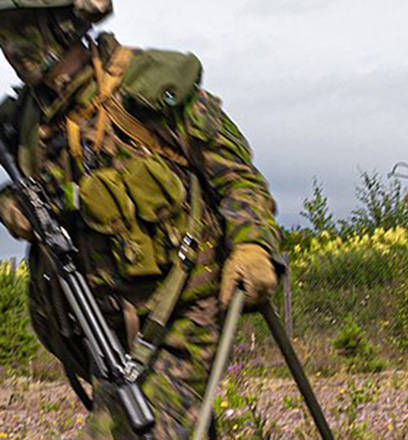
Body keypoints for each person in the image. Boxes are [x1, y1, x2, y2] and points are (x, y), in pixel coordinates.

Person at [0, 1, 282, 438]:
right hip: (102, 327)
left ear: (63, 23)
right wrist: (11, 205)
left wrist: (253, 244)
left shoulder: (148, 88)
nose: (10, 47)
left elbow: (237, 177)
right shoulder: (26, 121)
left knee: (121, 432)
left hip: (186, 312)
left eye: (19, 27)